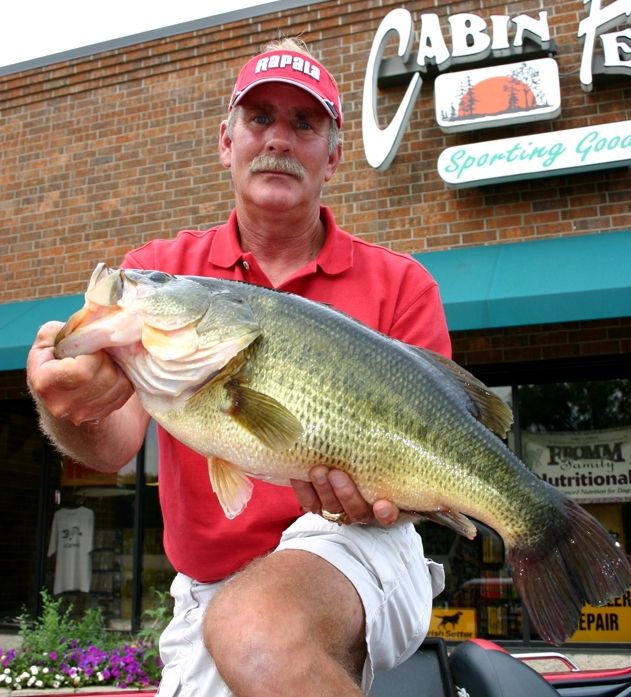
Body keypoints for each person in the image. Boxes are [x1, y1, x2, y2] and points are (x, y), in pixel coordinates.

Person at [27, 38, 451, 697]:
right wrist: (67, 404)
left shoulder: (401, 285)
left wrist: (373, 499)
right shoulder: (167, 272)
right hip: (207, 585)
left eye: (302, 123)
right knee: (239, 625)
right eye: (260, 119)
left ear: (333, 156)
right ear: (227, 141)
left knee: (254, 630)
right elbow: (109, 445)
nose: (278, 138)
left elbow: (435, 452)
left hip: (368, 544)